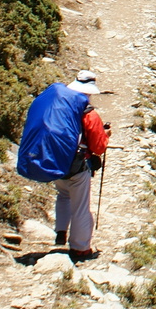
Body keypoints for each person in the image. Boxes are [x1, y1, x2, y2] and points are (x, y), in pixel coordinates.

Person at [54, 70, 109, 262]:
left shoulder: (59, 107)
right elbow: (98, 146)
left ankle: (60, 231)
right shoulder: (89, 114)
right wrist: (105, 135)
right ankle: (80, 248)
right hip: (78, 166)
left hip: (56, 161)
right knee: (80, 207)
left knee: (62, 195)